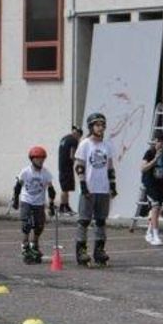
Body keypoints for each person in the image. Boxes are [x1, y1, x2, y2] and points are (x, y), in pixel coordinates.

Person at [74, 112, 119, 267]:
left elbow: (110, 167)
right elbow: (79, 166)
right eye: (97, 125)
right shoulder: (85, 144)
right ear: (91, 127)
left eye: (102, 125)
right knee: (84, 221)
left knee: (100, 221)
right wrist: (83, 185)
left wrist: (112, 185)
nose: (100, 128)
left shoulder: (107, 145)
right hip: (89, 189)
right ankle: (81, 251)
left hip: (103, 189)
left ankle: (99, 251)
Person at [12, 145, 57, 263]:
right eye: (38, 158)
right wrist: (16, 200)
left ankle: (35, 244)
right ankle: (25, 246)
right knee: (26, 224)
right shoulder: (25, 172)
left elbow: (51, 190)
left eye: (42, 158)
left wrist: (51, 205)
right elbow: (18, 186)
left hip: (39, 202)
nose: (41, 160)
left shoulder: (45, 173)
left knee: (39, 225)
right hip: (26, 201)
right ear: (32, 159)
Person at [141, 131, 163, 247]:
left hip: (161, 184)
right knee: (155, 207)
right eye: (159, 142)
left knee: (157, 210)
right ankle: (155, 235)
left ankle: (149, 232)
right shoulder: (149, 153)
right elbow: (142, 168)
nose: (160, 145)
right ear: (155, 141)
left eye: (162, 142)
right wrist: (154, 161)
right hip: (150, 184)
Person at [56, 125, 80, 216]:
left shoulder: (64, 138)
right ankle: (63, 207)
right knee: (65, 189)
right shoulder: (74, 140)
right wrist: (78, 161)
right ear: (78, 134)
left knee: (65, 188)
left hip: (61, 166)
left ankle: (65, 206)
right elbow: (72, 155)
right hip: (67, 167)